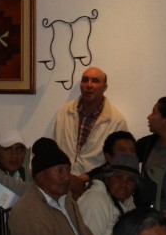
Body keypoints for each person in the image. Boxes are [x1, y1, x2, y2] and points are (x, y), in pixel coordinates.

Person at [51, 67, 128, 196]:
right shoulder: (64, 112)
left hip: (94, 189)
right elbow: (54, 148)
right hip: (61, 185)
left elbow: (118, 163)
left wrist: (87, 178)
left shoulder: (116, 121)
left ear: (104, 87)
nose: (89, 85)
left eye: (95, 81)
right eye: (85, 80)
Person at [78, 155, 140, 235]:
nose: (124, 184)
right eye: (119, 177)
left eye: (130, 180)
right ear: (108, 178)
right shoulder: (95, 200)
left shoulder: (129, 202)